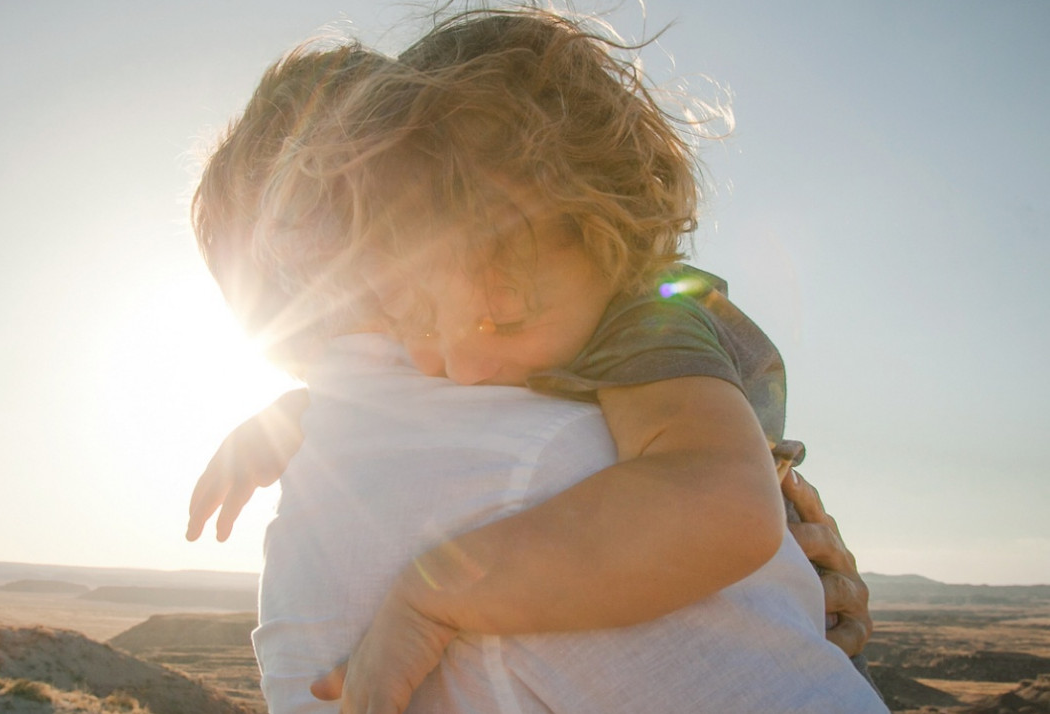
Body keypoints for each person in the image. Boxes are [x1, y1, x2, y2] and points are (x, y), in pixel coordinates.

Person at [187, 8, 878, 712]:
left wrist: (433, 595)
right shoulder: (524, 321)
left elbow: (722, 500)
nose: (456, 365)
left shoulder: (650, 327)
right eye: (414, 314)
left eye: (500, 316)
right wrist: (290, 417)